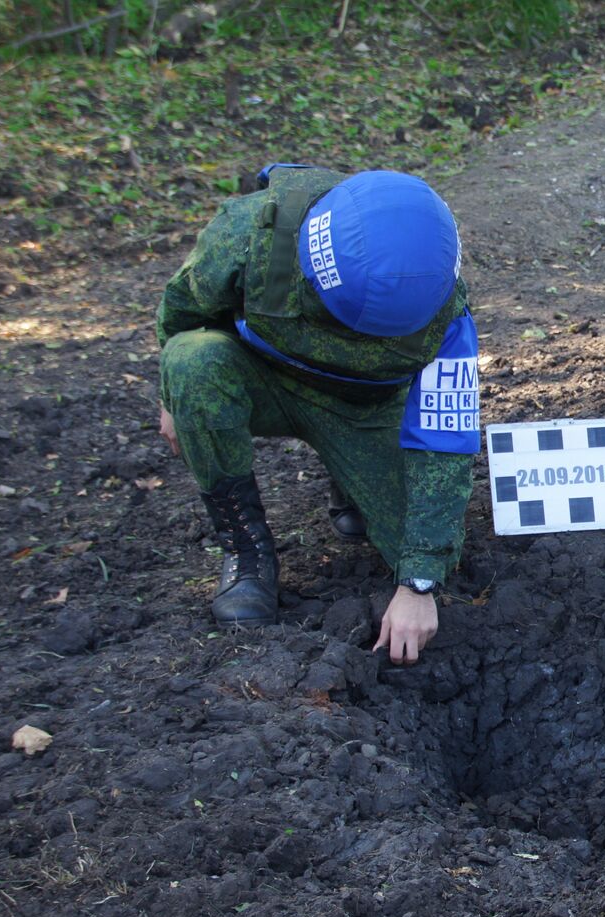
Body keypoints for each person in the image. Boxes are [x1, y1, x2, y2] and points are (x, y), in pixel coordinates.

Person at [156, 164, 480, 666]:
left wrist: (418, 582)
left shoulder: (443, 302)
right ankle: (246, 552)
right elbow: (182, 311)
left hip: (362, 410)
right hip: (260, 379)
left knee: (429, 554)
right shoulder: (252, 232)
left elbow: (444, 437)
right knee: (191, 361)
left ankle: (347, 477)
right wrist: (171, 397)